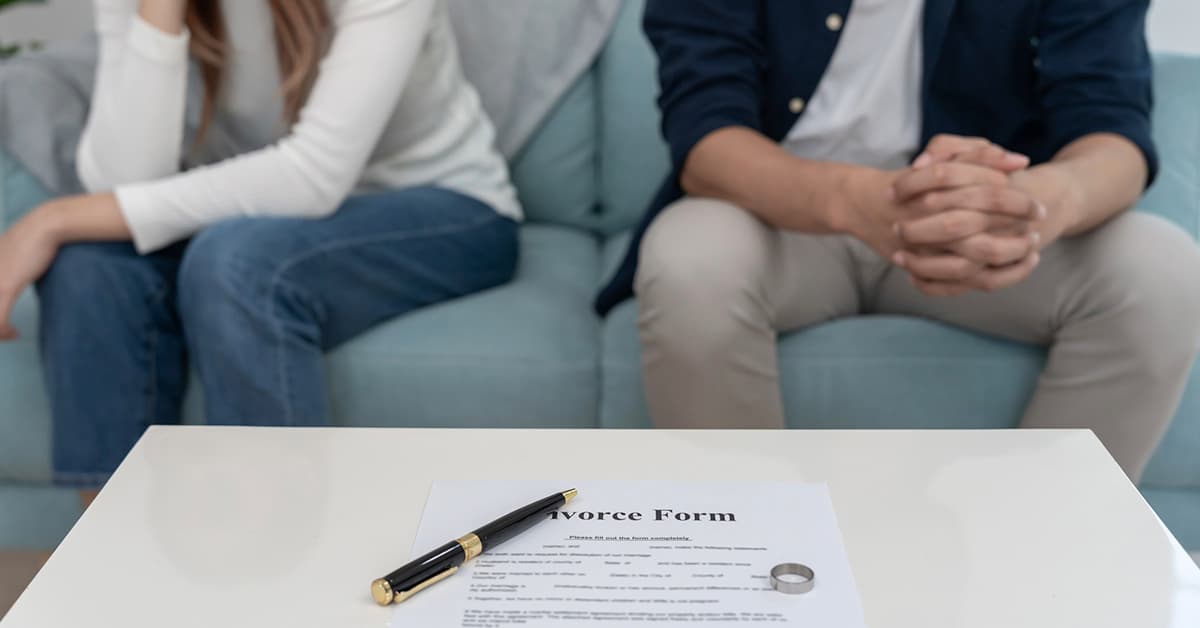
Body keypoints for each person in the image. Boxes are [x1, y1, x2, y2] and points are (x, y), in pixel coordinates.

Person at [595, 0, 1200, 482]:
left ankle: (1037, 565)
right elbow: (705, 137)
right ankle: (745, 558)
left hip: (977, 229)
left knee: (1162, 272)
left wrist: (1030, 206)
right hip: (782, 220)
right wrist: (855, 200)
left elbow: (1112, 130)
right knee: (691, 257)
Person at [0, 0, 521, 489]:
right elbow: (126, 181)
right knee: (89, 265)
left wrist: (52, 218)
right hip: (250, 211)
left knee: (236, 263)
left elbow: (314, 176)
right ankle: (115, 545)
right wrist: (160, 11)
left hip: (443, 209)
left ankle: (280, 550)